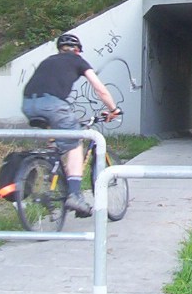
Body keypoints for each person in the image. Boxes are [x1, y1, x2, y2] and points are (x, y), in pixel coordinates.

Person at [21, 33, 121, 217]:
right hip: (52, 105)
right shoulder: (78, 61)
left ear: (60, 49)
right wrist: (113, 109)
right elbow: (99, 88)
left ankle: (52, 173)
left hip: (28, 104)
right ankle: (75, 195)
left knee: (58, 140)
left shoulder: (48, 61)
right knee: (75, 143)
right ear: (77, 50)